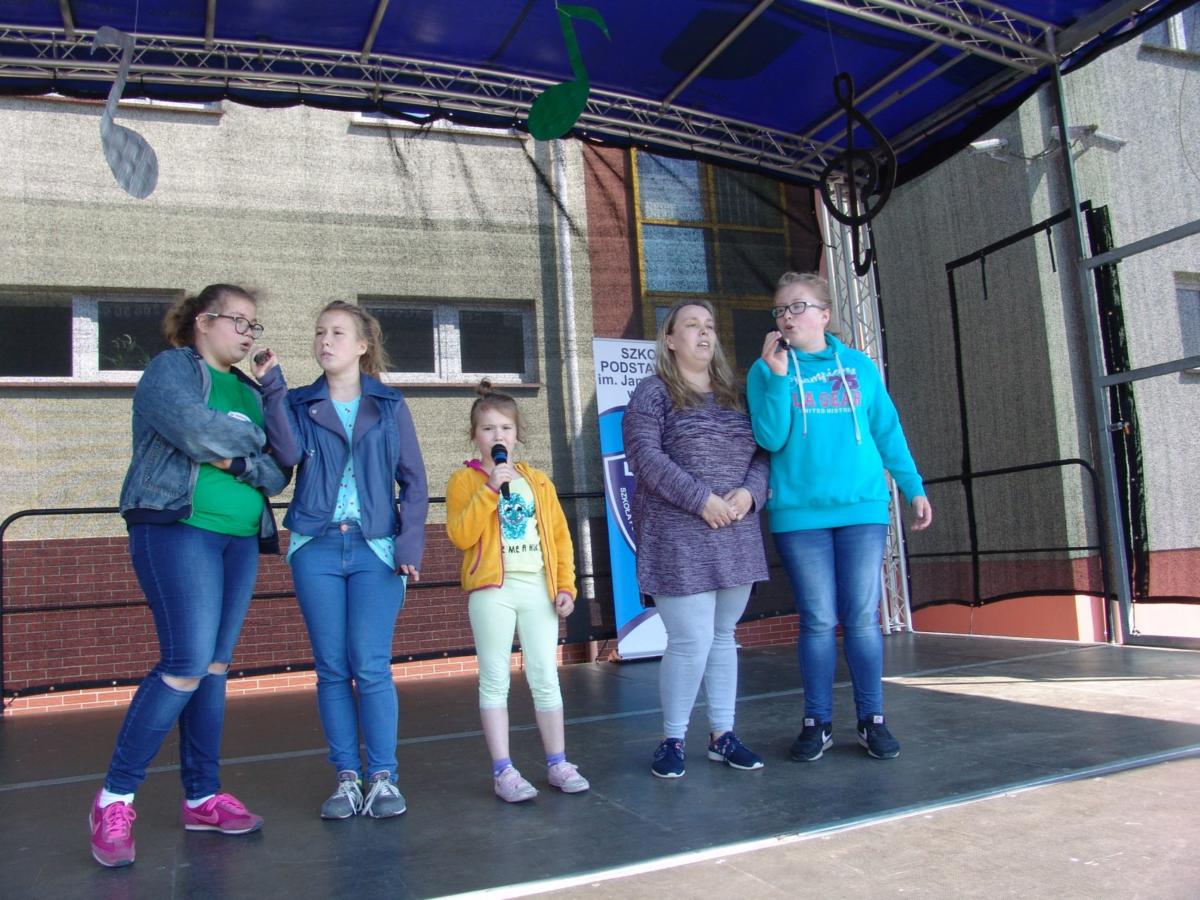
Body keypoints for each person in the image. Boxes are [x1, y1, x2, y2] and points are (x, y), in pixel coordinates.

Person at [91, 284, 289, 868]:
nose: (249, 333)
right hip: (178, 527)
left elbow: (279, 470)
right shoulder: (170, 370)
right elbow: (190, 428)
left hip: (240, 539)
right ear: (203, 321)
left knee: (214, 668)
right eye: (238, 321)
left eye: (254, 325)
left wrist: (233, 453)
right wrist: (247, 446)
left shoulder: (249, 389)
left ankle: (202, 798)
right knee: (185, 663)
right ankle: (113, 799)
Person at [747, 272, 933, 763]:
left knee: (862, 618)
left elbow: (887, 430)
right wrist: (777, 377)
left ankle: (873, 719)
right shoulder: (765, 370)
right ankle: (817, 722)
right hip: (798, 513)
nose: (787, 316)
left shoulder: (858, 366)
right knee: (817, 619)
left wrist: (913, 487)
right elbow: (769, 438)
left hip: (862, 508)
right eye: (780, 310)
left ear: (824, 315)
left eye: (798, 306)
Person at [255, 301, 427, 820]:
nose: (325, 341)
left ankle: (383, 779)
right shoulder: (300, 402)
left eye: (336, 333)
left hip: (377, 549)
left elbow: (414, 481)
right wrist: (272, 386)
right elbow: (286, 456)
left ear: (361, 346)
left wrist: (409, 546)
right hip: (317, 546)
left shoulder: (390, 405)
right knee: (332, 669)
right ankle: (347, 779)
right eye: (319, 333)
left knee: (370, 666)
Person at [623, 300, 770, 779]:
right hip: (677, 537)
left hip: (736, 533)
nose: (704, 333)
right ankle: (673, 739)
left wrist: (750, 493)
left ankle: (722, 735)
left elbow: (764, 453)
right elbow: (644, 456)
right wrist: (701, 500)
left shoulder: (736, 393)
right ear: (669, 340)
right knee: (690, 640)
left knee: (724, 637)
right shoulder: (653, 392)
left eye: (709, 326)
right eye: (691, 325)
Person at [445, 381, 589, 802]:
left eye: (506, 428)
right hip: (493, 589)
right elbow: (461, 535)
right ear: (475, 435)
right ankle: (503, 770)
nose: (498, 436)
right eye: (488, 428)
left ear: (517, 434)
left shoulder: (537, 481)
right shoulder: (463, 481)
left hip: (537, 587)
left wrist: (565, 585)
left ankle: (557, 762)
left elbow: (559, 538)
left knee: (545, 676)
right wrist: (490, 489)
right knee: (495, 679)